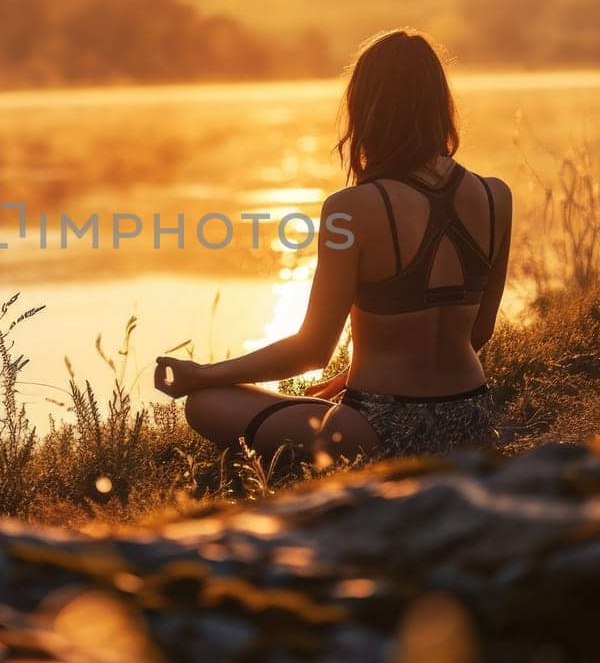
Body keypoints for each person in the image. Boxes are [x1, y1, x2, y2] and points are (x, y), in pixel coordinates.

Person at [154, 29, 511, 459]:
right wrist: (350, 376)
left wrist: (203, 374)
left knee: (208, 404)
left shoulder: (352, 208)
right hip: (471, 419)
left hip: (375, 428)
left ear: (368, 109)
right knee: (314, 402)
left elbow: (310, 350)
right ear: (440, 103)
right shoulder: (495, 197)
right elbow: (479, 330)